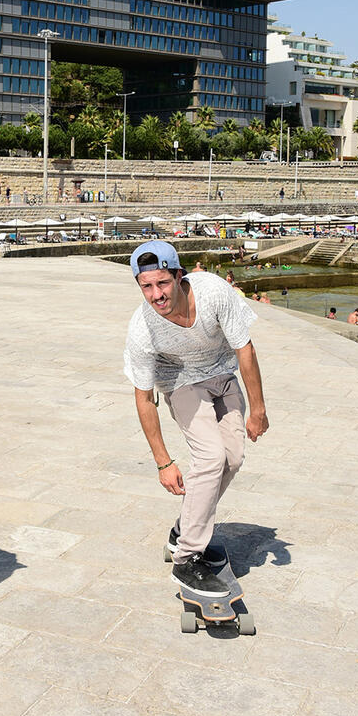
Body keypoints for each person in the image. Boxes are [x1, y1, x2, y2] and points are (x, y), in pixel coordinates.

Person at [123, 242, 268, 597]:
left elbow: (244, 349)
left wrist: (258, 409)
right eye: (147, 286)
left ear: (179, 276)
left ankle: (184, 529)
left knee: (233, 458)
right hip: (180, 381)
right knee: (211, 457)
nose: (156, 295)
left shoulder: (214, 292)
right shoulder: (143, 329)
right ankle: (187, 559)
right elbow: (143, 398)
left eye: (163, 284)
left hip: (223, 374)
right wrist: (163, 462)